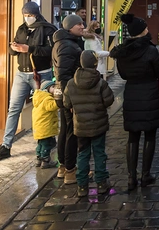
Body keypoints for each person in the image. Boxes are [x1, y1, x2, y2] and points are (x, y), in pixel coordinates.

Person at [0, 2, 57, 161]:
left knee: (43, 110)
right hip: (21, 74)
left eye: (30, 15)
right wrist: (13, 48)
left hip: (41, 74)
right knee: (13, 108)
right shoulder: (21, 29)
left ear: (36, 14)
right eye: (25, 15)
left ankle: (45, 145)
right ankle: (6, 145)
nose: (27, 18)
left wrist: (30, 49)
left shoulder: (48, 29)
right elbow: (11, 51)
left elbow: (51, 51)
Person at [110, 13, 159, 191]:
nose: (148, 29)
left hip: (132, 95)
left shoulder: (122, 53)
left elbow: (124, 75)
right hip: (149, 95)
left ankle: (131, 177)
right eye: (146, 28)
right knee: (150, 136)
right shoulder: (150, 50)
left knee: (132, 137)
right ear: (142, 32)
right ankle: (145, 175)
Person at [63, 50, 115, 197]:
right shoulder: (100, 83)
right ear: (95, 64)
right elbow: (109, 100)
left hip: (80, 126)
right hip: (98, 125)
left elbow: (66, 103)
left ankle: (82, 186)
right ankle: (101, 183)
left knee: (83, 154)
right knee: (99, 153)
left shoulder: (71, 83)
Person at [52, 14, 85, 184]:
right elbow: (63, 75)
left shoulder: (67, 42)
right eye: (78, 24)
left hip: (66, 94)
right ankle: (70, 171)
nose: (82, 26)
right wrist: (69, 100)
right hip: (68, 95)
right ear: (69, 27)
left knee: (65, 130)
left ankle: (63, 167)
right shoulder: (66, 45)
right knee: (71, 132)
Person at [32, 80, 60, 168]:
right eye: (52, 87)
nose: (54, 88)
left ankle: (39, 159)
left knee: (40, 144)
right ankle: (45, 160)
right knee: (48, 144)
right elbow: (52, 106)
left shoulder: (38, 98)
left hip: (40, 127)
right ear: (46, 89)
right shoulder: (47, 99)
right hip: (46, 128)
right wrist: (58, 100)